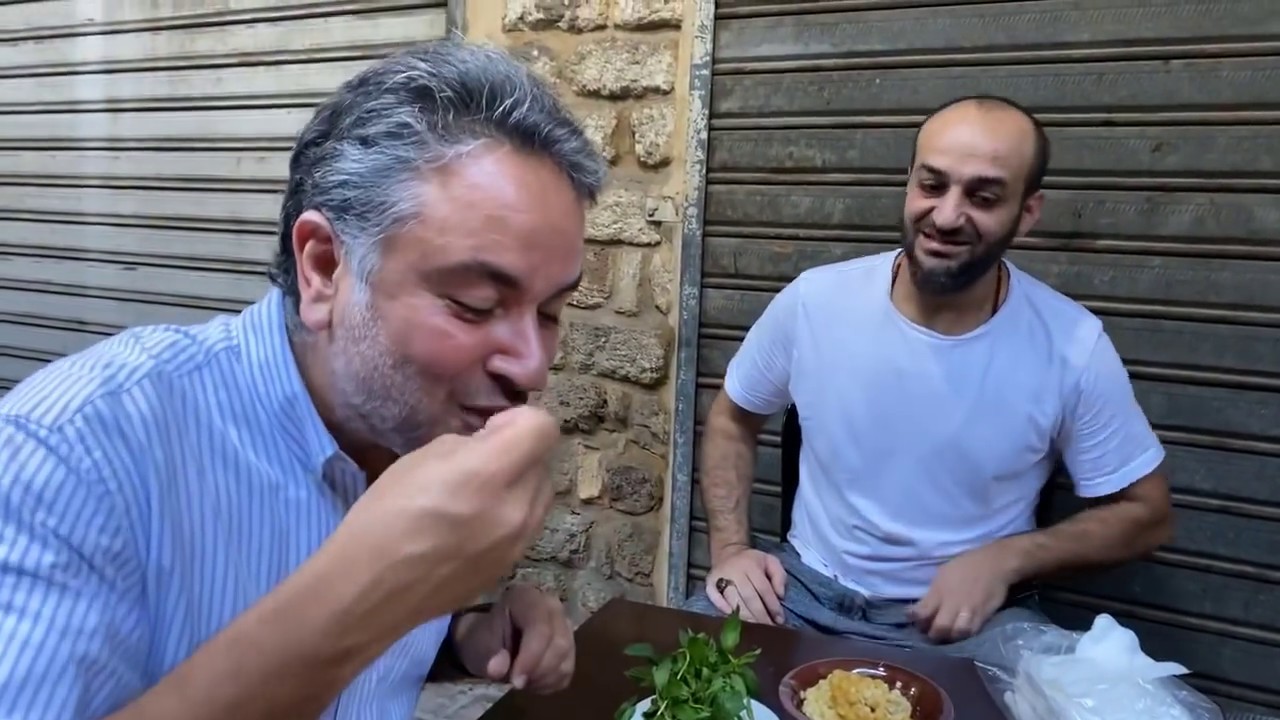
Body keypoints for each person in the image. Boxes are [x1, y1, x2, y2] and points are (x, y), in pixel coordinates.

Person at [0, 40, 607, 720]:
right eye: (473, 305)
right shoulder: (66, 455)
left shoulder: (413, 422)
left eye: (552, 311)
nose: (531, 365)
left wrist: (464, 633)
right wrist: (363, 590)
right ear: (323, 269)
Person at [684, 95, 1174, 658]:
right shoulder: (816, 301)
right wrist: (729, 552)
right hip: (799, 593)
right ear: (908, 182)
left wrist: (1007, 559)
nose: (945, 216)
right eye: (932, 185)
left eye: (983, 197)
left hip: (968, 626)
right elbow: (732, 417)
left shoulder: (1072, 346)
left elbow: (1147, 513)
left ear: (1028, 212)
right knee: (665, 690)